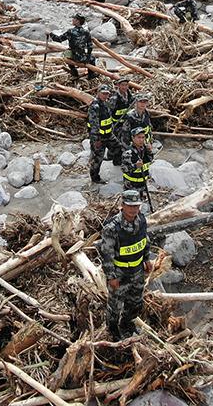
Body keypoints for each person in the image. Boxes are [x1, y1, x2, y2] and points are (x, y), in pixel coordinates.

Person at [99, 190, 151, 341]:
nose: (133, 209)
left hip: (137, 272)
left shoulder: (141, 220)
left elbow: (144, 240)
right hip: (119, 274)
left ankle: (127, 325)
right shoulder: (112, 228)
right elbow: (106, 254)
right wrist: (111, 277)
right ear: (122, 206)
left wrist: (146, 259)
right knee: (115, 306)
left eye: (136, 206)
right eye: (130, 206)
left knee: (136, 302)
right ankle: (113, 331)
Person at [50, 13, 96, 80]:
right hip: (82, 57)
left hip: (73, 57)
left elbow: (59, 39)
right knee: (92, 58)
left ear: (78, 21)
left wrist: (50, 34)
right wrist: (88, 55)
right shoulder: (86, 32)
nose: (73, 20)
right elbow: (90, 46)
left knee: (66, 54)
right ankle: (91, 74)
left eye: (74, 19)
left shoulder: (70, 31)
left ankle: (74, 73)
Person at [87, 84, 116, 183]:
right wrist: (97, 140)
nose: (105, 96)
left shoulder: (106, 103)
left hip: (109, 135)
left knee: (118, 147)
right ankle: (95, 178)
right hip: (99, 137)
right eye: (103, 94)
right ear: (98, 93)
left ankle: (113, 160)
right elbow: (94, 124)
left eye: (107, 94)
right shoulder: (95, 106)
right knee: (97, 159)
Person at [108, 76, 134, 164]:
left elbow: (132, 103)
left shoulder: (129, 94)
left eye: (126, 85)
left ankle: (120, 157)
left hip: (125, 124)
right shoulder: (114, 98)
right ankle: (114, 159)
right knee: (116, 143)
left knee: (125, 141)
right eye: (123, 85)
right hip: (116, 124)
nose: (125, 87)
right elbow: (109, 112)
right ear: (118, 86)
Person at [122, 126, 154, 196]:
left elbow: (150, 160)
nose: (141, 140)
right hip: (131, 185)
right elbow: (124, 169)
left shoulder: (144, 149)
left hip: (143, 184)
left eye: (143, 137)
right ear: (133, 138)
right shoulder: (128, 152)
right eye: (139, 137)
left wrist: (150, 151)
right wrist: (135, 166)